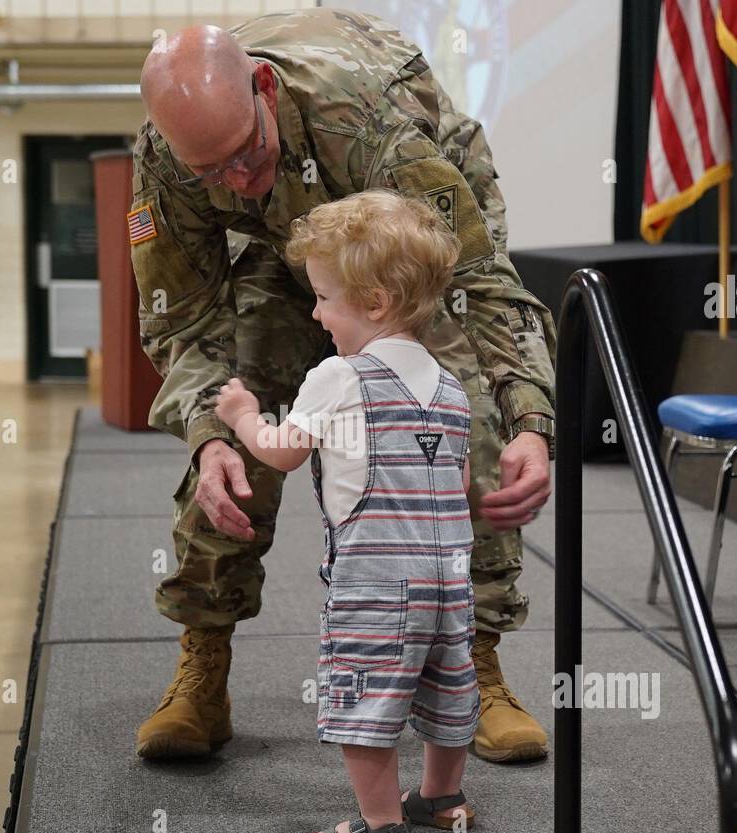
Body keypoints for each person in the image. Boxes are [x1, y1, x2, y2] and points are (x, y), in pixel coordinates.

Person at [131, 8, 557, 765]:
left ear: (264, 89)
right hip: (289, 253)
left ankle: (477, 662)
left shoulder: (364, 119)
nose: (235, 181)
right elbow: (180, 320)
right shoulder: (169, 159)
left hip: (407, 244)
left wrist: (529, 417)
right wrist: (207, 433)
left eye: (244, 155)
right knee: (233, 435)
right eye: (212, 172)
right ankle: (204, 659)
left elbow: (478, 280)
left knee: (459, 419)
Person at [215, 190, 477, 833]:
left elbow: (282, 450)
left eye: (325, 296)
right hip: (450, 577)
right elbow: (460, 483)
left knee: (365, 694)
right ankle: (443, 798)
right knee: (447, 685)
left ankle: (382, 824)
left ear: (376, 303)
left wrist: (243, 415)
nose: (315, 311)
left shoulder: (339, 376)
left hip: (375, 579)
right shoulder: (450, 389)